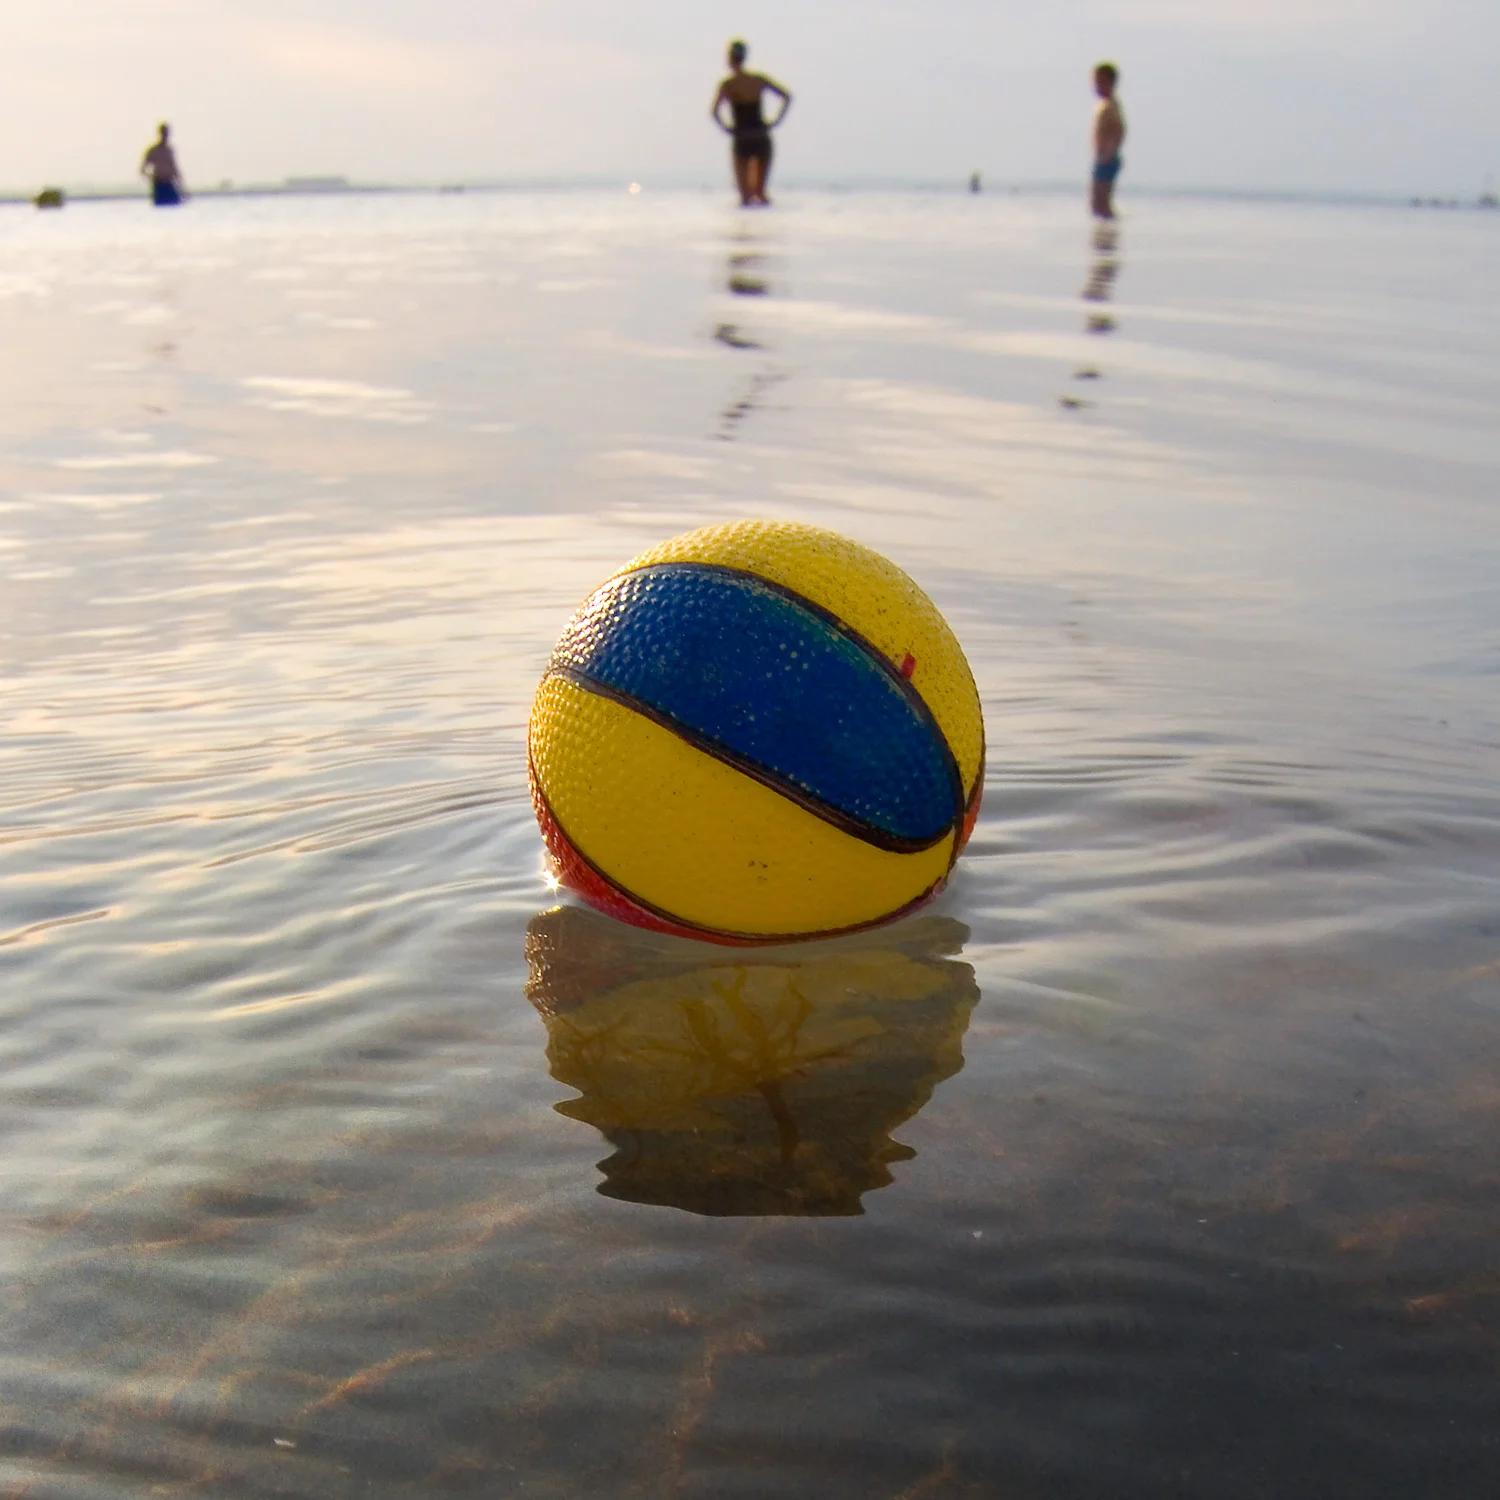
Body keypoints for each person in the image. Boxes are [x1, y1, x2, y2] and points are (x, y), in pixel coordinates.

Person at [711, 41, 791, 207]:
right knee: (760, 194)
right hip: (761, 135)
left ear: (730, 59)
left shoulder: (728, 85)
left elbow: (714, 111)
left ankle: (745, 230)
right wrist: (776, 121)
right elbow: (786, 96)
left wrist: (727, 128)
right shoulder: (758, 80)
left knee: (745, 198)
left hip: (741, 137)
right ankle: (768, 229)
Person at [1090, 63, 1125, 220]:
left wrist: (1108, 153)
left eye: (1099, 82)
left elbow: (1119, 130)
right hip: (1103, 157)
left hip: (1107, 158)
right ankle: (1105, 235)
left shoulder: (1110, 106)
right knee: (1098, 205)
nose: (1096, 86)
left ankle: (1108, 237)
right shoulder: (1104, 105)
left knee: (1100, 205)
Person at [140, 123, 186, 206]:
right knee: (160, 205)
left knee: (175, 204)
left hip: (169, 182)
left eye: (167, 133)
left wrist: (181, 185)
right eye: (164, 133)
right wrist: (151, 177)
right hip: (158, 184)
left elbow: (174, 167)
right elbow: (143, 168)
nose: (165, 135)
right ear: (160, 134)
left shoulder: (169, 150)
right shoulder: (153, 150)